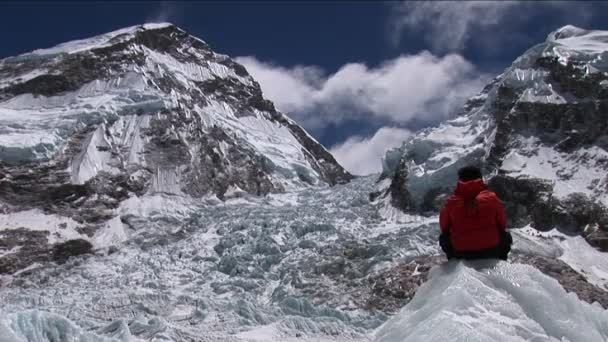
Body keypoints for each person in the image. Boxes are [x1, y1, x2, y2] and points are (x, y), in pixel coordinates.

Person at [439, 166, 512, 260]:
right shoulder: (492, 198)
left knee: (444, 237)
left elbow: (444, 227)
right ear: (480, 179)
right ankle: (501, 260)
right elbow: (502, 223)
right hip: (492, 250)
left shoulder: (451, 202)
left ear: (460, 180)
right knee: (505, 235)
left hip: (461, 252)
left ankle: (453, 261)